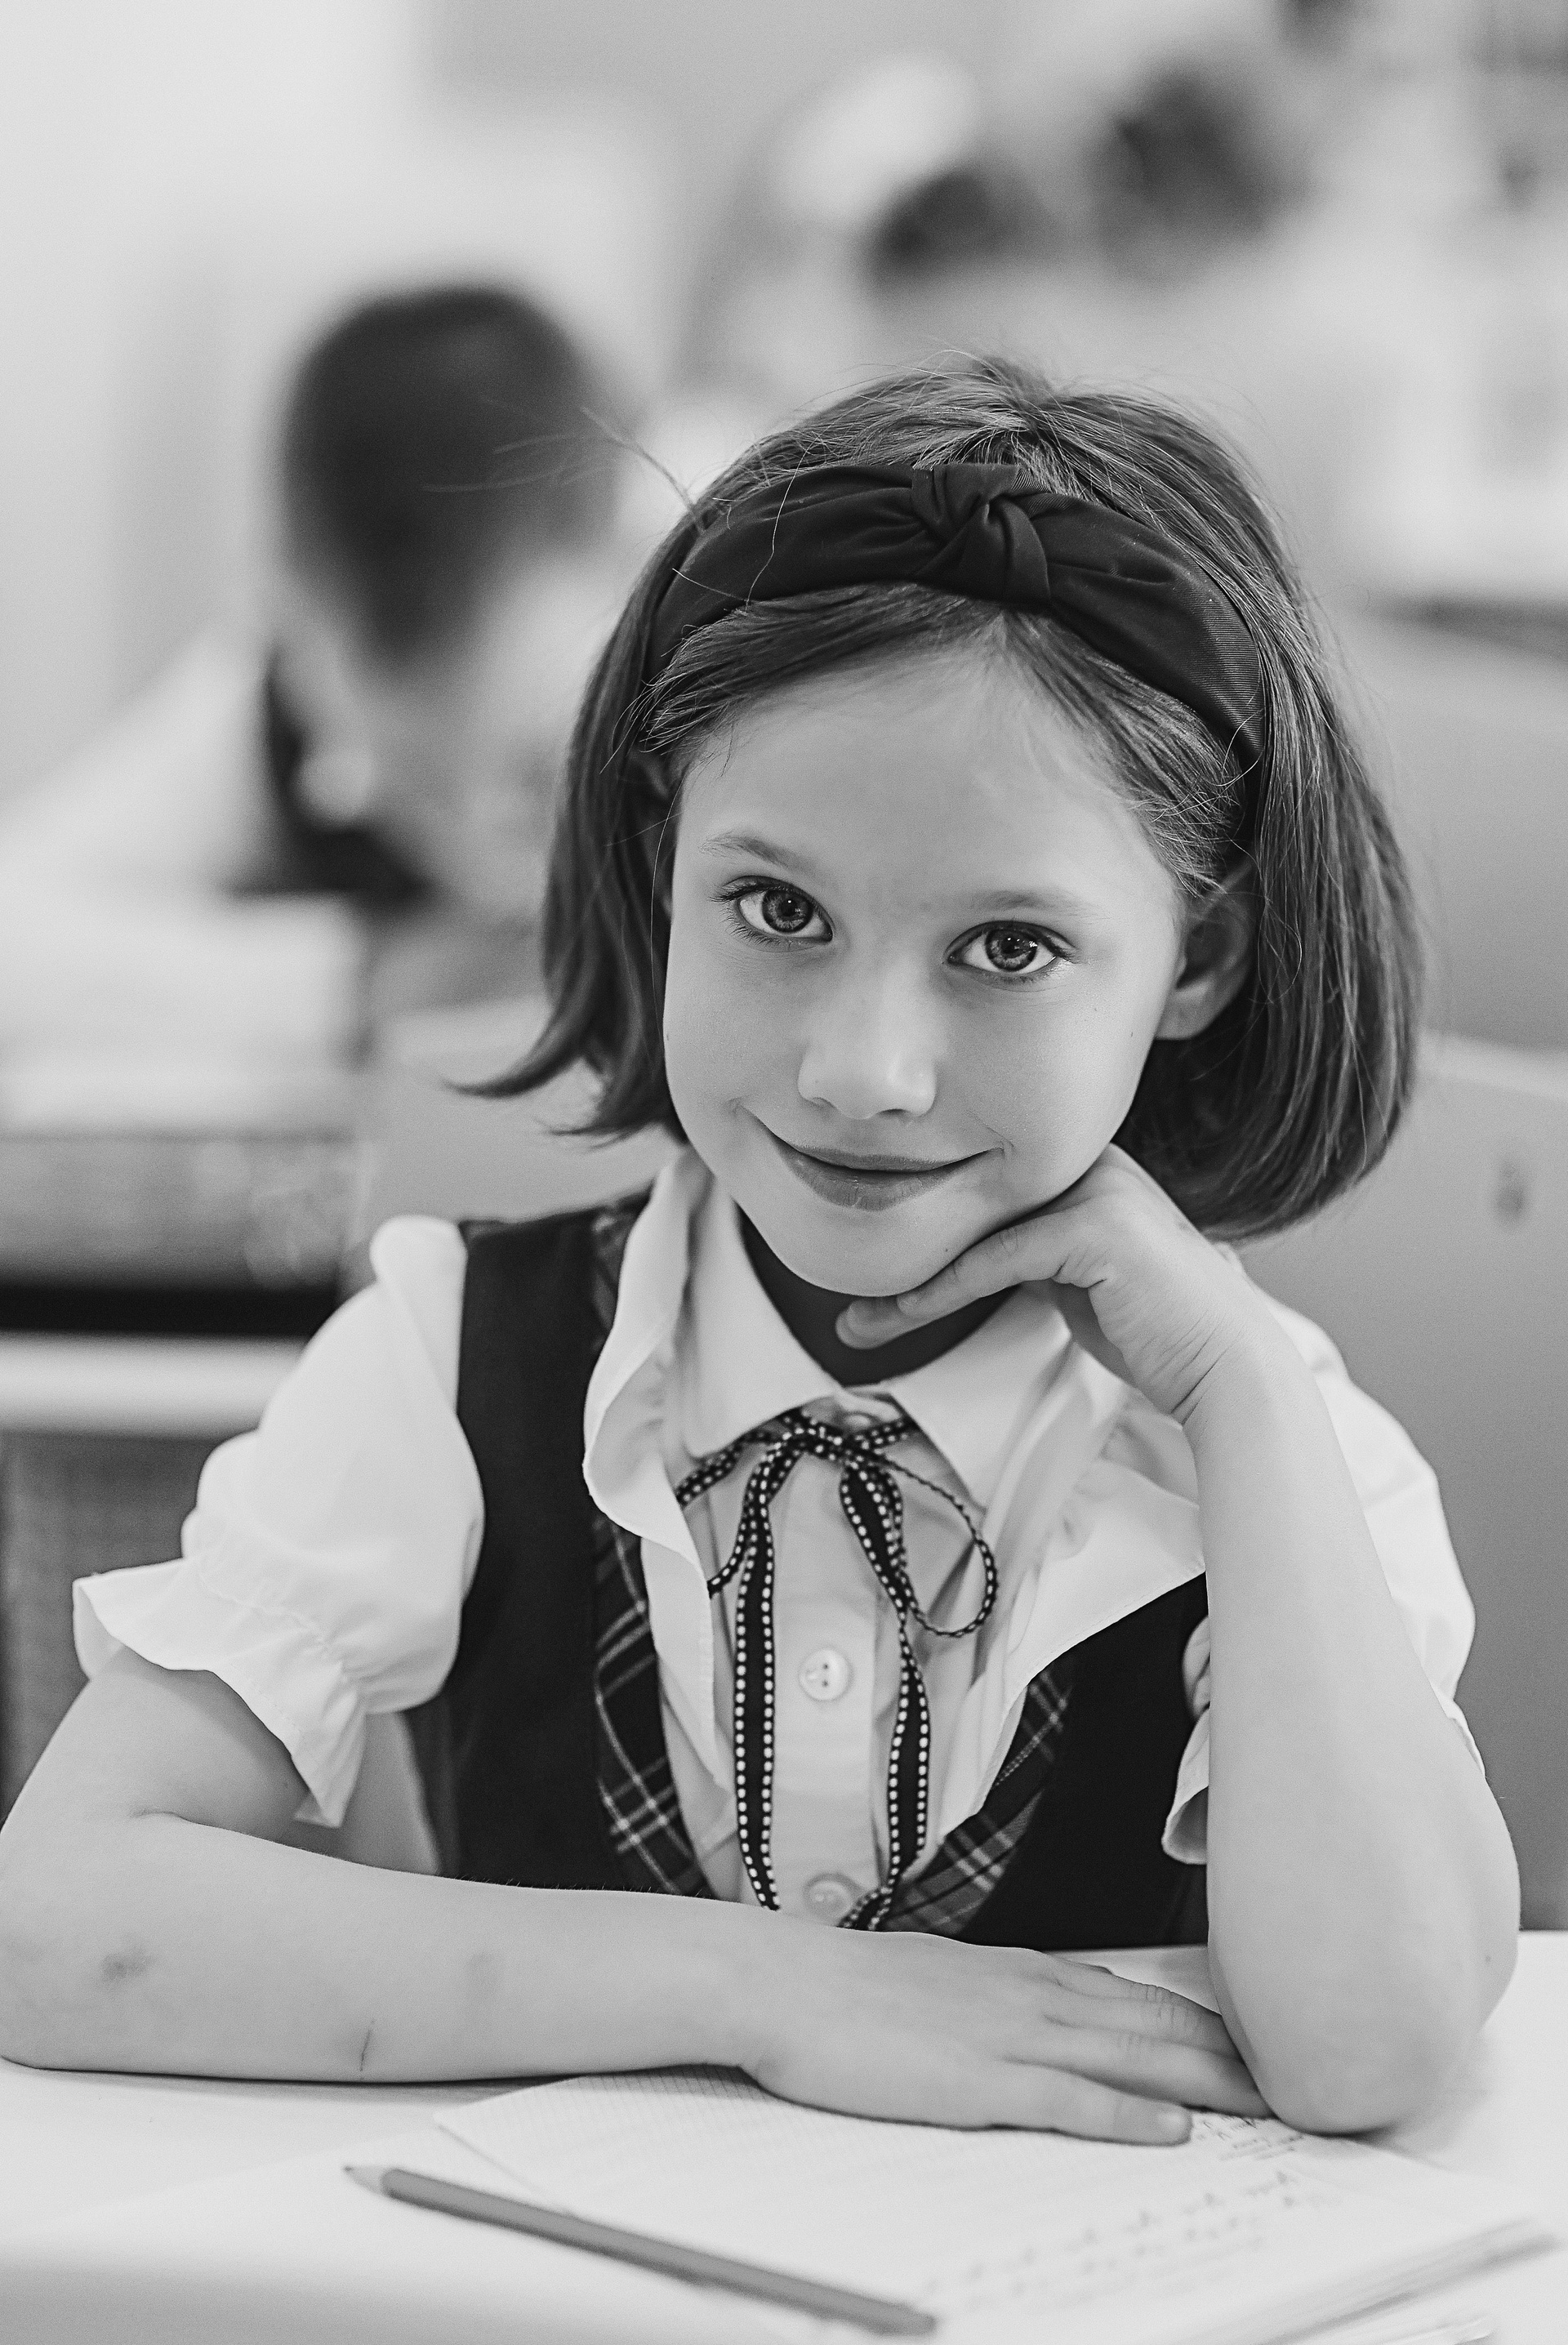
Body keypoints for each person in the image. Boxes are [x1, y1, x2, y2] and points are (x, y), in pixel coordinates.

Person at [0, 359, 1518, 2143]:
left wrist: (1242, 1388)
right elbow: (55, 1918)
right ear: (663, 867)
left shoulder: (1268, 1444)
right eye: (778, 908)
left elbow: (1380, 2053)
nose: (861, 1071)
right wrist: (758, 1987)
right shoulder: (453, 1352)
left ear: (1196, 960)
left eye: (1009, 949)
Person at [0, 283, 616, 1063]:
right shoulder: (275, 693)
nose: (472, 830)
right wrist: (366, 978)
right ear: (287, 602)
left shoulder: (695, 658)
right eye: (412, 779)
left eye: (527, 777)